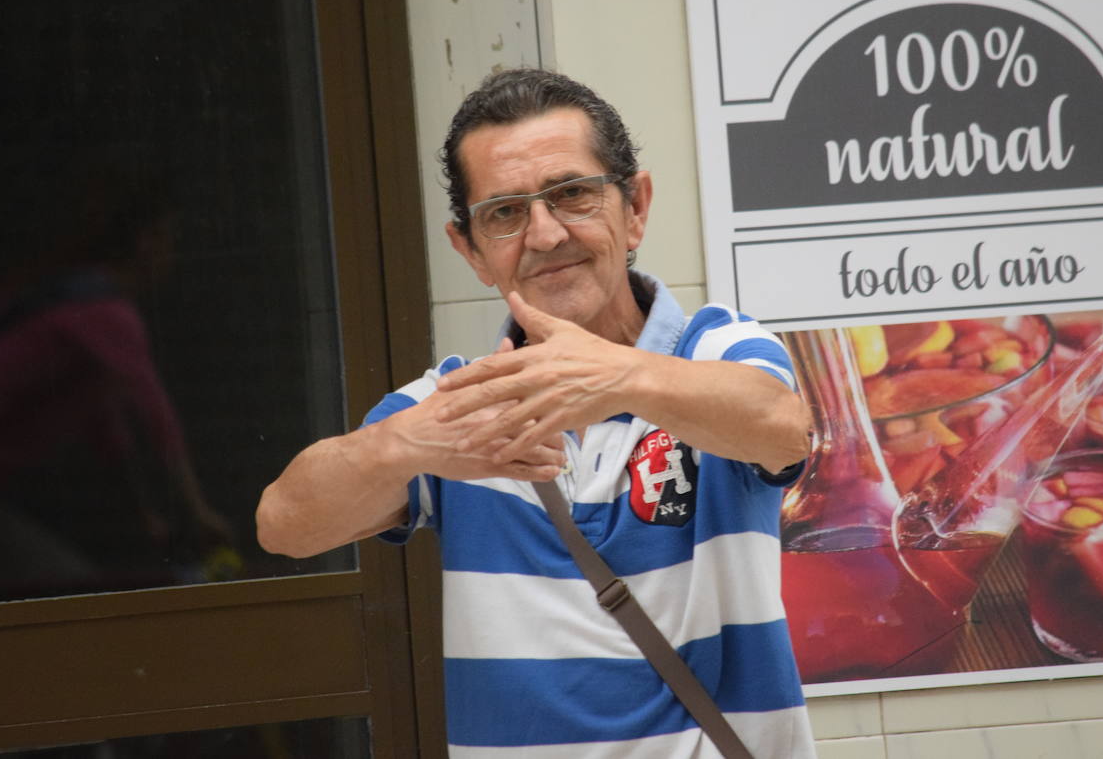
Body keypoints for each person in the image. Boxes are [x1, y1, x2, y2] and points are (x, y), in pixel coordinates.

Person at [256, 68, 815, 757]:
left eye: (572, 194)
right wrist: (397, 446)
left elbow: (782, 425)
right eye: (506, 213)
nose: (546, 234)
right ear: (470, 250)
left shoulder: (716, 348)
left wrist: (619, 376)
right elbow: (283, 525)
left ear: (635, 206)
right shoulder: (456, 402)